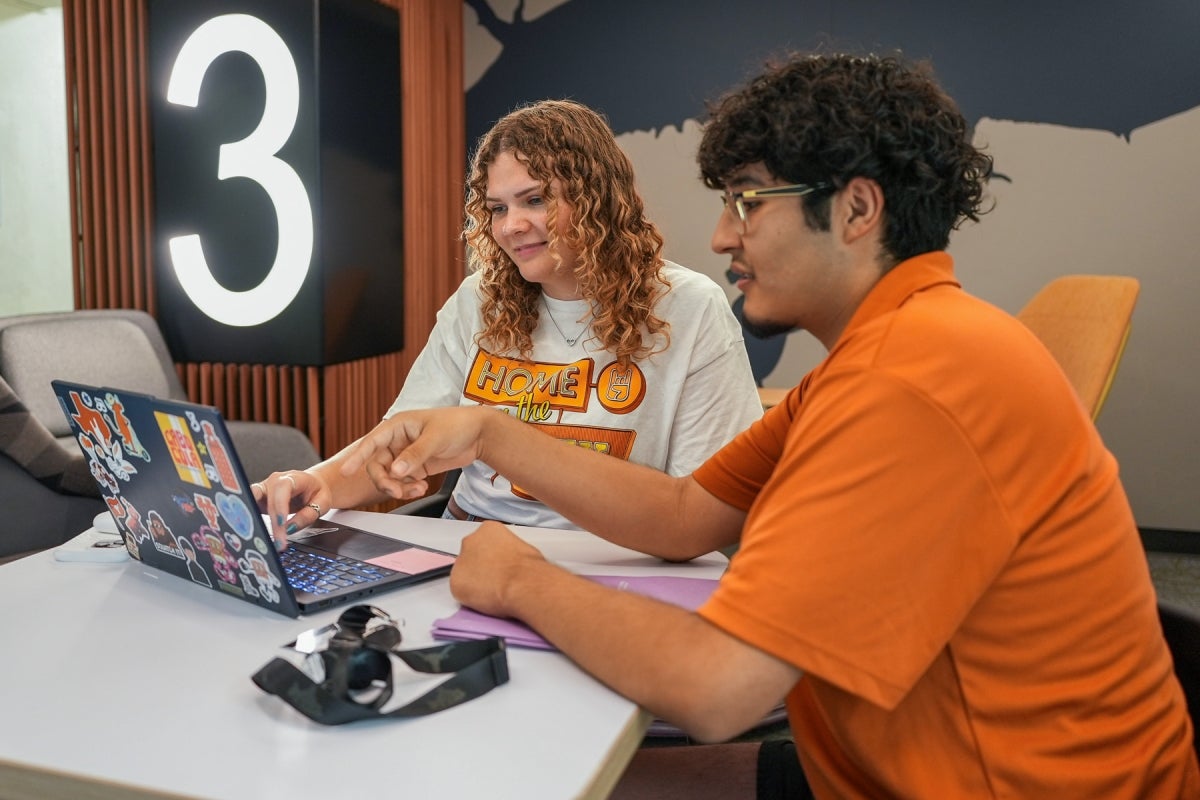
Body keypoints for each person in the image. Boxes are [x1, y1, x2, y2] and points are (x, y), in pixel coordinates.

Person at [337, 54, 1199, 798]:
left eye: (747, 203)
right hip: (878, 764)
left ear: (857, 210)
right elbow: (683, 516)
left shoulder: (914, 380)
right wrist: (488, 433)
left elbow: (718, 690)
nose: (719, 235)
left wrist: (517, 579)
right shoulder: (881, 355)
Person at [255, 99, 762, 542]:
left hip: (613, 559)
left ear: (598, 200)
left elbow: (704, 511)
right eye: (496, 208)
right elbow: (401, 447)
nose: (511, 226)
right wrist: (319, 483)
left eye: (535, 199)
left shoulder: (691, 308)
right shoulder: (479, 300)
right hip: (470, 544)